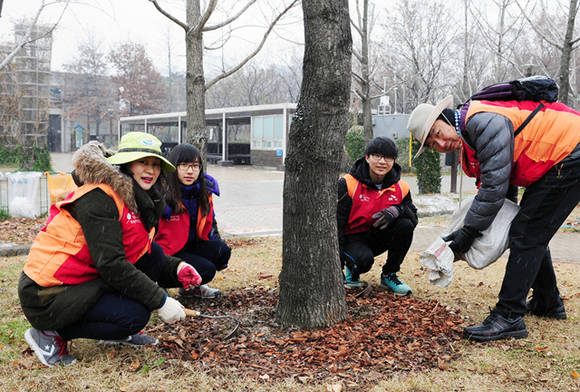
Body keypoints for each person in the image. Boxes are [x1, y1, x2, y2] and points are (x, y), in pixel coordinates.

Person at [19, 132, 203, 367]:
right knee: (135, 315)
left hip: (81, 281)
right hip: (47, 294)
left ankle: (113, 331)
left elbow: (142, 251)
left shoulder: (132, 197)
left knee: (153, 258)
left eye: (156, 164)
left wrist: (177, 267)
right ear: (125, 164)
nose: (151, 170)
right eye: (143, 162)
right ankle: (49, 333)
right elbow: (112, 265)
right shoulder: (99, 197)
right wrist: (161, 301)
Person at [408, 92, 580, 342]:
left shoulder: (481, 123)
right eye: (433, 145)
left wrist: (469, 232)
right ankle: (547, 302)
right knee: (528, 230)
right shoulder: (469, 137)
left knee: (526, 233)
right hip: (555, 159)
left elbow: (494, 189)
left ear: (445, 118)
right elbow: (502, 187)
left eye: (437, 134)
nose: (441, 144)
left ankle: (509, 316)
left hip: (570, 152)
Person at [337, 136, 418, 295]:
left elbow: (413, 218)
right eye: (377, 156)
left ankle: (389, 274)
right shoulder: (348, 183)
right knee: (363, 262)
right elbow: (336, 226)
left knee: (405, 225)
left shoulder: (402, 188)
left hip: (376, 236)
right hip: (352, 238)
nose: (382, 161)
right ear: (367, 157)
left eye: (388, 157)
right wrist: (336, 268)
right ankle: (352, 270)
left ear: (394, 160)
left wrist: (397, 210)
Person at [155, 143, 231, 299]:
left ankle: (190, 288)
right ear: (173, 166)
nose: (190, 171)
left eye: (195, 166)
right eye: (184, 165)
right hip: (166, 254)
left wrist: (218, 253)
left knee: (222, 251)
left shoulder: (204, 191)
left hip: (191, 246)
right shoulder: (161, 192)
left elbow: (212, 224)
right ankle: (157, 283)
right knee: (206, 270)